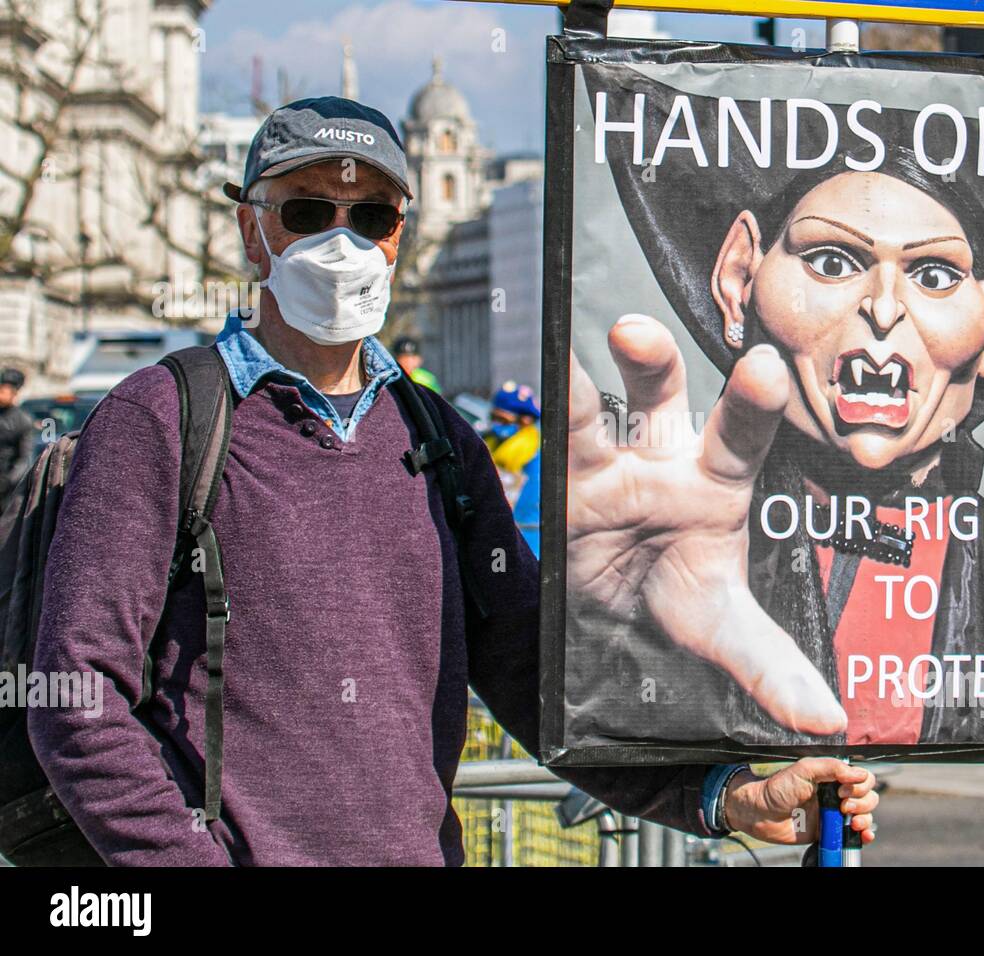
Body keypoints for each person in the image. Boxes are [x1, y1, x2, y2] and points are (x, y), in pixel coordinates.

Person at [26, 96, 877, 865]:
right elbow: (78, 696)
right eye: (307, 211)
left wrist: (721, 793)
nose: (342, 240)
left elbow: (530, 682)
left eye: (371, 215)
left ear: (400, 234)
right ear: (253, 233)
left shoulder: (440, 441)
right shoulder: (160, 419)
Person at [568, 144, 984, 748]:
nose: (885, 309)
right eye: (832, 262)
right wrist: (603, 614)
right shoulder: (674, 554)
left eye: (935, 275)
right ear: (739, 279)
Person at [485, 381, 541, 557]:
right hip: (497, 542)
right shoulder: (487, 444)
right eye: (493, 417)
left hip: (531, 543)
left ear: (525, 421)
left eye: (503, 419)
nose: (496, 424)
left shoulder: (537, 454)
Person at [0, 367, 33, 513]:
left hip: (7, 485)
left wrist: (8, 481)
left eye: (3, 391)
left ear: (14, 394)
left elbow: (24, 458)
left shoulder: (22, 420)